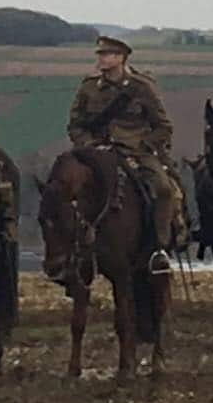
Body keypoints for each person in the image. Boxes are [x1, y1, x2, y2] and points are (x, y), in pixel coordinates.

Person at [64, 32, 186, 273]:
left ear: (121, 57)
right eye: (100, 54)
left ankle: (159, 248)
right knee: (63, 186)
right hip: (96, 151)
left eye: (107, 54)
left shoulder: (142, 88)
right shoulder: (89, 87)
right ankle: (69, 251)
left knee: (162, 189)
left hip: (136, 151)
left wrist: (141, 147)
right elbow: (75, 125)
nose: (101, 58)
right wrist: (88, 145)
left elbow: (163, 127)